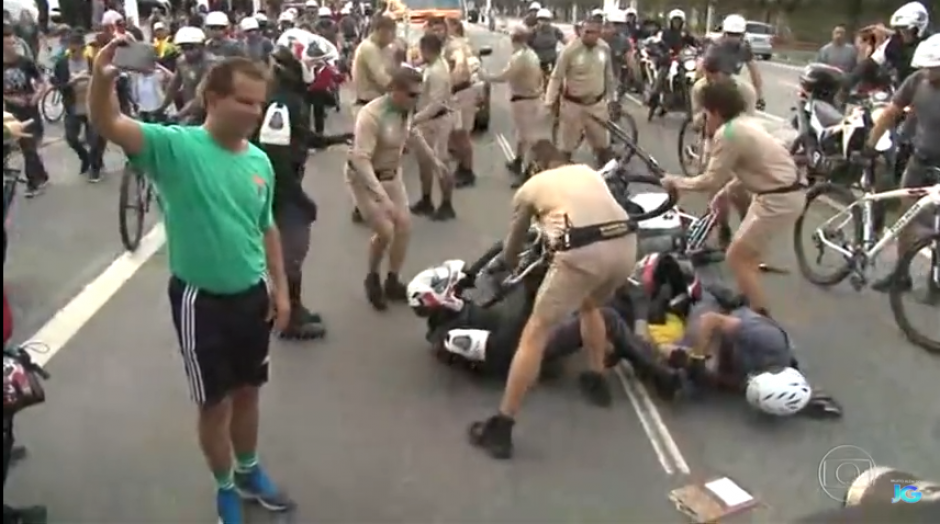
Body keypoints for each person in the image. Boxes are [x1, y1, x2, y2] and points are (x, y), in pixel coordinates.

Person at [88, 41, 294, 523]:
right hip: (201, 302)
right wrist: (101, 79)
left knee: (249, 391)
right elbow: (109, 122)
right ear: (213, 98)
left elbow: (266, 227)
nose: (255, 112)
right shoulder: (175, 147)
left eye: (260, 103)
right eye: (245, 101)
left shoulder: (259, 162)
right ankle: (225, 487)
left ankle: (249, 470)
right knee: (214, 405)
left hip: (252, 296)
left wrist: (281, 290)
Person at [468, 141, 638, 460]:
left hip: (582, 251)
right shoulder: (587, 171)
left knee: (535, 332)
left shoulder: (531, 188)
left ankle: (502, 425)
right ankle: (597, 377)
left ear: (535, 167)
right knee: (590, 304)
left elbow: (511, 251)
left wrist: (509, 267)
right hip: (626, 246)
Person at [407, 258, 685, 397]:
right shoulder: (452, 337)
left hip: (524, 329)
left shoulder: (456, 314)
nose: (459, 287)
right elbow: (503, 350)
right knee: (605, 316)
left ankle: (643, 353)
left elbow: (488, 295)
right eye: (453, 287)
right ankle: (660, 375)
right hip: (528, 350)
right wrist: (531, 300)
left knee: (598, 299)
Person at [662, 80, 805, 317]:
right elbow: (756, 168)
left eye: (706, 113)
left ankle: (760, 318)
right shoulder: (744, 123)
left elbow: (710, 179)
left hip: (778, 200)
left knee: (737, 257)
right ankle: (749, 298)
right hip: (779, 193)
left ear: (716, 112)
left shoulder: (728, 134)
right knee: (748, 256)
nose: (704, 119)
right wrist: (725, 192)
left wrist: (676, 182)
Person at [255, 36, 352, 339]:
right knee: (291, 254)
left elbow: (298, 135)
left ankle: (293, 307)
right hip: (279, 191)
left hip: (281, 187)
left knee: (290, 254)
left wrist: (333, 139)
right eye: (315, 64)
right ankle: (289, 318)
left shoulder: (289, 98)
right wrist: (300, 200)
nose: (319, 70)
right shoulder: (282, 103)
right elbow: (275, 160)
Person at [347, 67, 442, 310]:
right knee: (386, 230)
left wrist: (435, 162)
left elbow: (413, 134)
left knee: (404, 227)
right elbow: (361, 159)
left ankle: (393, 280)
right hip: (365, 179)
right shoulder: (372, 115)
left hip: (392, 174)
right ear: (396, 91)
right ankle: (372, 277)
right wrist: (381, 197)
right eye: (412, 95)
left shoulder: (405, 110)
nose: (416, 100)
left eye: (419, 95)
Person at [864, 34, 939, 300]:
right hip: (921, 160)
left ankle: (936, 281)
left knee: (936, 226)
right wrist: (870, 145)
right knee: (906, 218)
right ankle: (901, 273)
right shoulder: (917, 81)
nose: (928, 73)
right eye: (926, 67)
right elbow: (891, 112)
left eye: (934, 69)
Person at [544, 17, 617, 166]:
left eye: (593, 32)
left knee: (604, 148)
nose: (588, 35)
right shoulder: (570, 50)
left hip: (596, 106)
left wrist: (612, 99)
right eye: (586, 31)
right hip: (573, 106)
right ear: (581, 31)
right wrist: (549, 102)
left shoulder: (604, 48)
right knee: (565, 149)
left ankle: (607, 176)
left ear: (599, 33)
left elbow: (609, 75)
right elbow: (556, 77)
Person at [482, 25, 543, 185]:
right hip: (531, 97)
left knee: (527, 137)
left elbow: (505, 76)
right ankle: (518, 160)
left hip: (524, 99)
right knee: (522, 136)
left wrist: (486, 77)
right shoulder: (531, 54)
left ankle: (529, 172)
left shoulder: (520, 57)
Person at [408, 33, 457, 221]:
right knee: (424, 162)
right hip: (427, 122)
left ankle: (447, 204)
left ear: (426, 49)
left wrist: (415, 119)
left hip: (437, 122)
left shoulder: (438, 71)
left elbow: (436, 104)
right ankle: (426, 199)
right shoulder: (434, 64)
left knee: (440, 163)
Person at [51, 29, 107, 181]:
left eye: (76, 50)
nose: (73, 53)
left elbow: (102, 82)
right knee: (71, 138)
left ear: (83, 48)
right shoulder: (62, 64)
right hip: (73, 106)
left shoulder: (91, 62)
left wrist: (92, 80)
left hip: (91, 106)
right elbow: (57, 84)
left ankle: (95, 168)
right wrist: (70, 83)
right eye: (71, 50)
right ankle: (84, 157)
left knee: (94, 139)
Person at [3, 23, 49, 198]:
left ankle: (33, 182)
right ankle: (41, 175)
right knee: (25, 147)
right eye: (6, 44)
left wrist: (37, 96)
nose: (10, 47)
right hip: (12, 113)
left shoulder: (25, 62)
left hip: (30, 110)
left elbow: (42, 82)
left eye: (12, 43)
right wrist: (10, 99)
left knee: (29, 146)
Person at [158, 26, 210, 123]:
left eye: (191, 48)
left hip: (209, 113)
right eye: (183, 48)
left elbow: (201, 95)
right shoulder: (181, 61)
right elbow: (173, 86)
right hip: (190, 111)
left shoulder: (210, 64)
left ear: (202, 46)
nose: (187, 52)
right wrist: (161, 108)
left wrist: (179, 115)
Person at [529, 8, 565, 82]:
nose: (544, 22)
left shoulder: (555, 30)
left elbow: (565, 41)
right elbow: (526, 46)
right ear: (537, 20)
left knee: (556, 80)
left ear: (550, 21)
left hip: (552, 60)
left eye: (546, 20)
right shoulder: (533, 31)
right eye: (541, 20)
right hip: (537, 62)